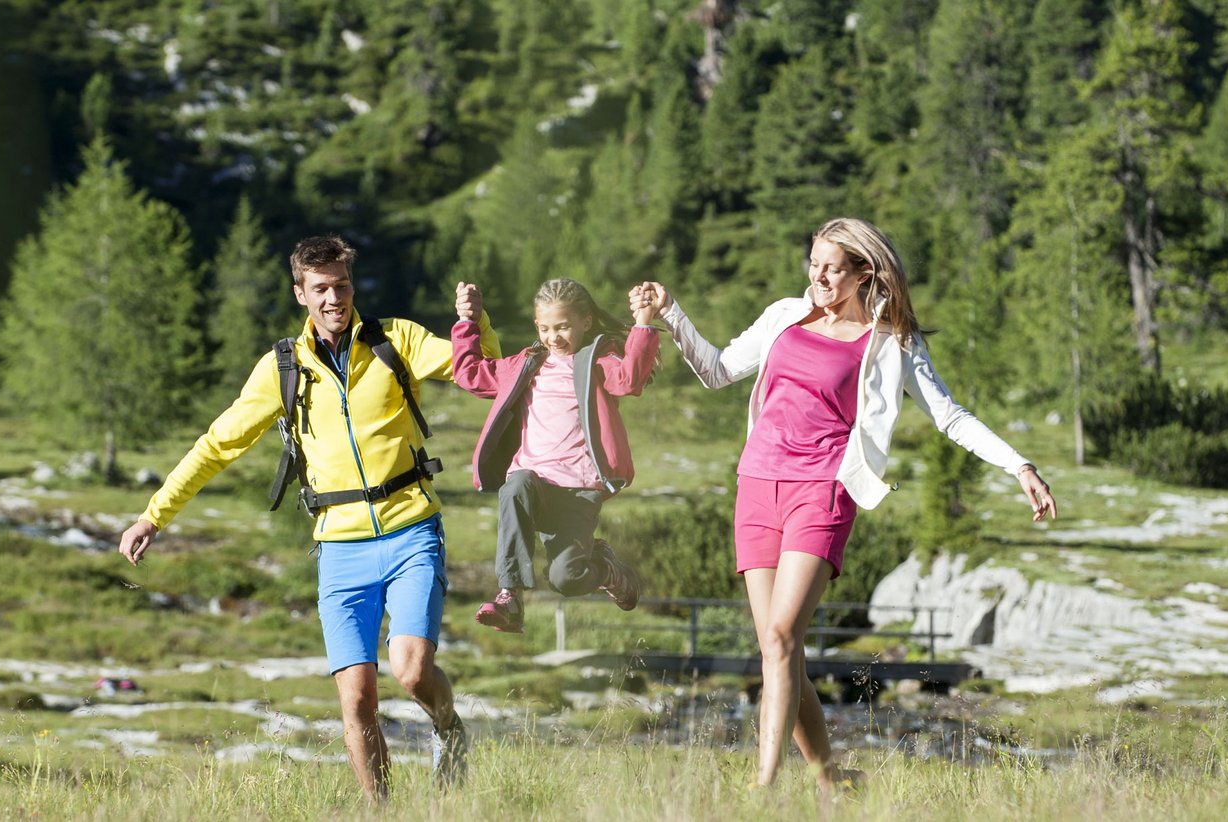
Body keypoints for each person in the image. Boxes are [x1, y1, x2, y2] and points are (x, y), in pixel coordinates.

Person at [634, 217, 1057, 794]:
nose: (819, 276)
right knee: (777, 647)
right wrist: (672, 312)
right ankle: (830, 777)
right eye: (814, 263)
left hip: (823, 490)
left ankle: (763, 787)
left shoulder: (892, 341)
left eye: (833, 267)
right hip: (757, 484)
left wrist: (1020, 465)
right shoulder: (785, 315)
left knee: (781, 638)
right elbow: (716, 370)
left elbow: (949, 416)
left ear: (864, 272)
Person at [115, 235, 498, 803]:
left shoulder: (397, 340)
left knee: (413, 672)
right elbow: (217, 444)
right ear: (300, 293)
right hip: (341, 550)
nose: (334, 298)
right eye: (320, 288)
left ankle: (449, 728)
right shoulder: (283, 368)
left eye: (342, 285)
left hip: (411, 528)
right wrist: (154, 515)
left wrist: (476, 322)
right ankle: (383, 813)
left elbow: (481, 372)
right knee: (356, 700)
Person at [448, 278, 661, 632]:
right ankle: (510, 596)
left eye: (563, 327)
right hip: (534, 484)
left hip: (578, 492)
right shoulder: (526, 365)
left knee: (567, 578)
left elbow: (629, 380)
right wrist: (467, 322)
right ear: (536, 327)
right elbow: (470, 374)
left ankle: (606, 568)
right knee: (515, 484)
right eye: (545, 328)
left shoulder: (596, 362)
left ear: (585, 322)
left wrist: (643, 324)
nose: (554, 337)